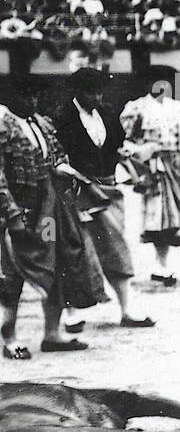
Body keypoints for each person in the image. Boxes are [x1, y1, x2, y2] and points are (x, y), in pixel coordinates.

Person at [0, 77, 108, 358]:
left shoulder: (42, 123)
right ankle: (9, 339)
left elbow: (57, 159)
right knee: (12, 275)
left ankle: (51, 334)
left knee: (55, 261)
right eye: (26, 96)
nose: (32, 102)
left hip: (47, 213)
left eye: (35, 96)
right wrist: (12, 216)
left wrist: (71, 173)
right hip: (19, 213)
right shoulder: (3, 125)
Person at [54, 67, 154, 330]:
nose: (96, 97)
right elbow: (58, 156)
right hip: (75, 191)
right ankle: (72, 313)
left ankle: (126, 309)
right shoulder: (62, 116)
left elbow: (120, 147)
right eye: (91, 92)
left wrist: (134, 161)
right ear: (77, 91)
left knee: (116, 247)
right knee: (76, 250)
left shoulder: (108, 113)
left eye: (99, 91)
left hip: (108, 189)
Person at [119, 68, 180, 286]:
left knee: (178, 213)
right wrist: (142, 153)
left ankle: (162, 264)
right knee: (160, 217)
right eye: (156, 81)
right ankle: (160, 265)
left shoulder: (178, 108)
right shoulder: (136, 108)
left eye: (166, 81)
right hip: (153, 169)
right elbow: (124, 141)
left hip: (177, 166)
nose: (162, 85)